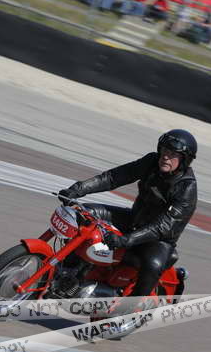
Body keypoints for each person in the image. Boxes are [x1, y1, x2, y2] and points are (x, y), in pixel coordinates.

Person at [57, 129, 198, 304]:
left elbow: (163, 227)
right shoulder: (151, 161)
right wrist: (76, 190)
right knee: (84, 213)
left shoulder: (187, 188)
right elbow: (114, 177)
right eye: (164, 150)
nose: (165, 157)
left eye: (173, 154)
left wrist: (126, 240)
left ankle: (130, 307)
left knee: (153, 265)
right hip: (134, 219)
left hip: (158, 239)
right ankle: (66, 270)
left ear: (185, 159)